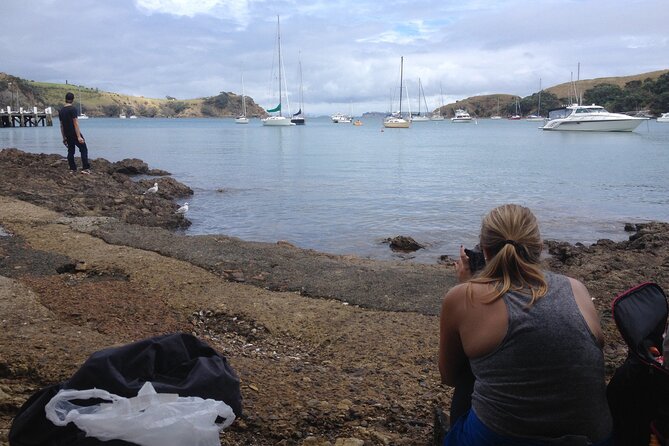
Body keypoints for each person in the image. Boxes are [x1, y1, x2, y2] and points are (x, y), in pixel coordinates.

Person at [439, 204, 612, 445]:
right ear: (539, 249)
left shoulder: (462, 297)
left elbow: (449, 376)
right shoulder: (576, 288)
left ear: (485, 250)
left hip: (500, 439)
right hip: (591, 439)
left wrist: (468, 285)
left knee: (470, 371)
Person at [59, 92, 91, 174]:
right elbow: (75, 123)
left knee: (71, 151)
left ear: (65, 99)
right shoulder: (73, 109)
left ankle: (72, 168)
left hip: (67, 134)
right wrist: (79, 136)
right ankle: (85, 168)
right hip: (74, 133)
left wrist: (64, 137)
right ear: (72, 100)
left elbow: (61, 126)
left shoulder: (61, 111)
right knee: (83, 149)